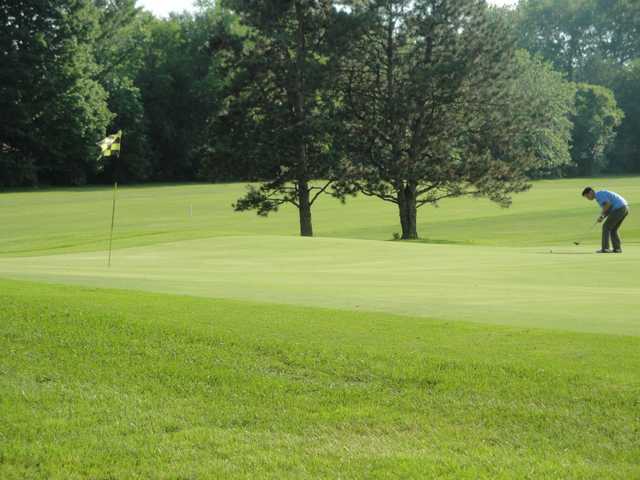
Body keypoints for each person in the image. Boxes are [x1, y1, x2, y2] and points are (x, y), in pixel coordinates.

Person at [582, 187, 629, 253]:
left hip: (619, 209)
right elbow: (608, 209)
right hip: (624, 208)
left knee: (606, 227)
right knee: (613, 229)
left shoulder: (599, 195)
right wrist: (602, 217)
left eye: (587, 196)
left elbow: (607, 205)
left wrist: (601, 216)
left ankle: (605, 248)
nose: (588, 198)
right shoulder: (600, 195)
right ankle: (617, 249)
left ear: (591, 192)